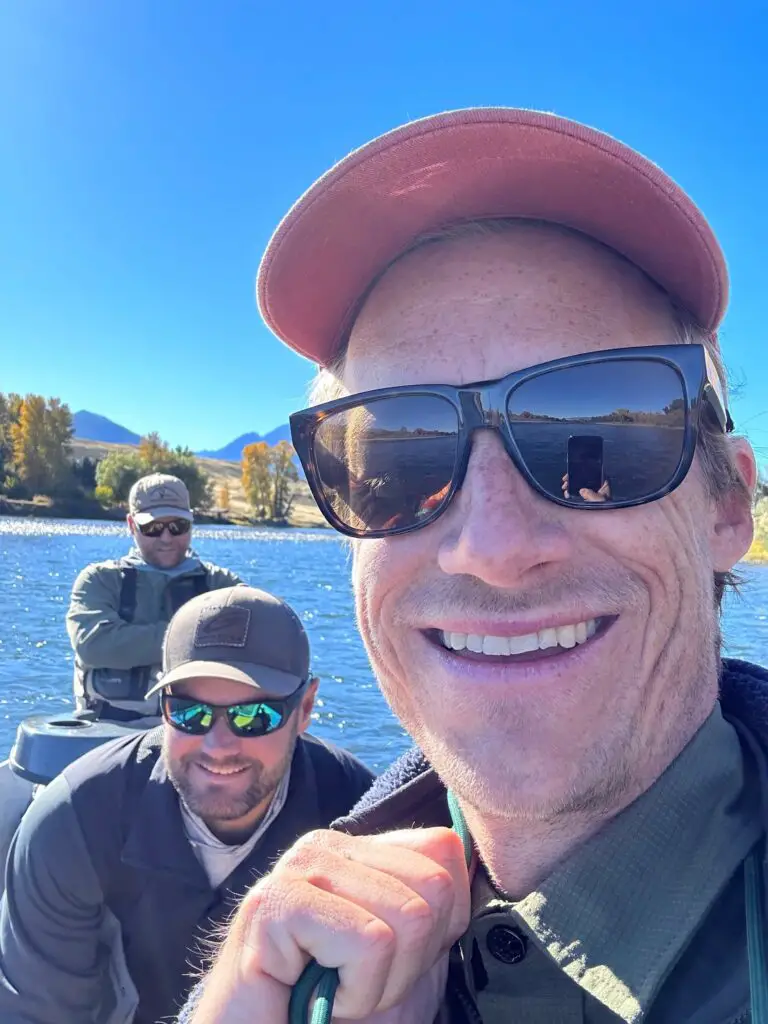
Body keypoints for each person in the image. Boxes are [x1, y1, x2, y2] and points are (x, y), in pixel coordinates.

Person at [179, 108, 768, 1024]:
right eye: (400, 466)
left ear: (726, 506)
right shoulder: (299, 968)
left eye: (599, 442)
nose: (491, 549)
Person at [0, 585, 374, 1024]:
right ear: (161, 709)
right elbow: (39, 1012)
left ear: (305, 708)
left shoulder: (356, 818)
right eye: (189, 712)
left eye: (255, 716)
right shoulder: (75, 822)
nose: (218, 746)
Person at [67, 472, 242, 720]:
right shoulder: (99, 580)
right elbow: (94, 646)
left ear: (191, 524)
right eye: (153, 528)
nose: (166, 538)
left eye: (177, 527)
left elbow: (252, 639)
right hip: (109, 727)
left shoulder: (223, 585)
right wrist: (202, 635)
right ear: (131, 525)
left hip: (198, 730)